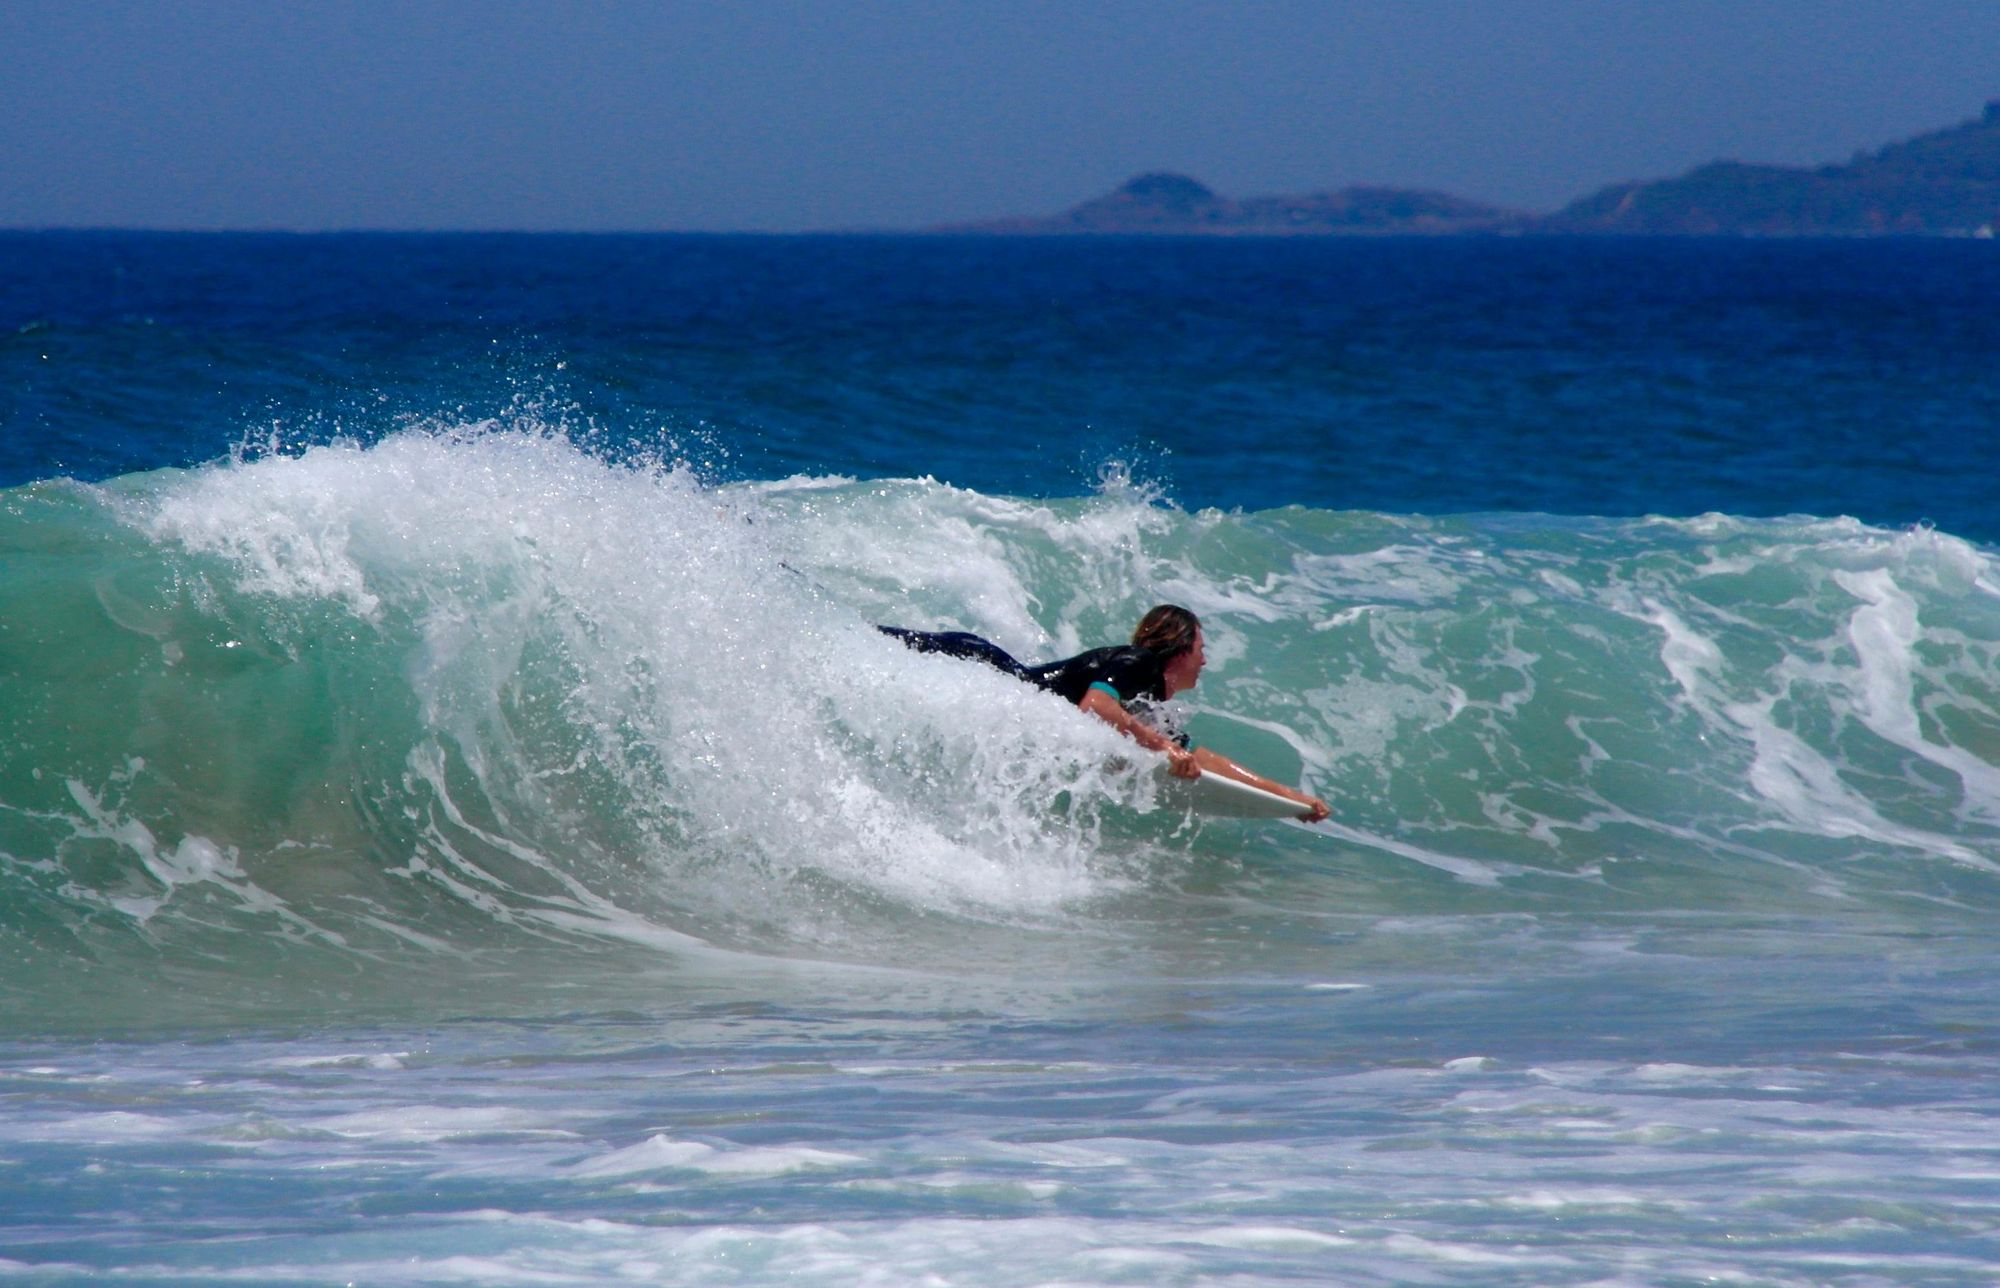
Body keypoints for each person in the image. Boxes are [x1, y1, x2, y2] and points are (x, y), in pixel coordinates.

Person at [881, 604, 1331, 823]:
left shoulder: (1153, 703)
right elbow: (1095, 705)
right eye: (1201, 649)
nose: (1205, 661)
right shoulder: (1139, 663)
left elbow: (1205, 760)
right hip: (977, 661)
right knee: (861, 637)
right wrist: (1159, 747)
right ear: (1179, 651)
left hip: (992, 677)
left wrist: (1290, 799)